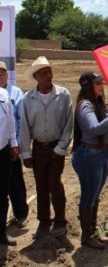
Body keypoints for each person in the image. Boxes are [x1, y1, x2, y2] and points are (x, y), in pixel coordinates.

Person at [19, 56, 73, 239]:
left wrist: (61, 148)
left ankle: (60, 221)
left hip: (56, 148)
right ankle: (44, 221)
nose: (48, 76)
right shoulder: (28, 98)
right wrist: (25, 152)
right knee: (41, 185)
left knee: (54, 184)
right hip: (38, 149)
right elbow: (24, 127)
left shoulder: (63, 95)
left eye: (49, 72)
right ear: (36, 77)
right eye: (43, 73)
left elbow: (68, 124)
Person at [71, 71, 108, 249]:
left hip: (100, 156)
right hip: (88, 157)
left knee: (95, 196)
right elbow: (94, 129)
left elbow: (105, 132)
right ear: (88, 86)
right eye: (97, 83)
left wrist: (106, 152)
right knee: (88, 197)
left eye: (102, 82)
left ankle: (92, 231)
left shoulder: (99, 105)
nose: (102, 86)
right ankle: (87, 236)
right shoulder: (85, 106)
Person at [0, 61, 29, 228]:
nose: (0, 76)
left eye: (2, 73)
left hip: (12, 146)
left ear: (7, 75)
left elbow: (22, 120)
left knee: (15, 181)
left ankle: (20, 214)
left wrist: (16, 144)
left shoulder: (16, 93)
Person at [0, 86, 18, 246]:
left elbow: (11, 121)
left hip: (3, 151)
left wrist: (13, 144)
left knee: (3, 194)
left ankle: (1, 234)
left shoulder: (4, 94)